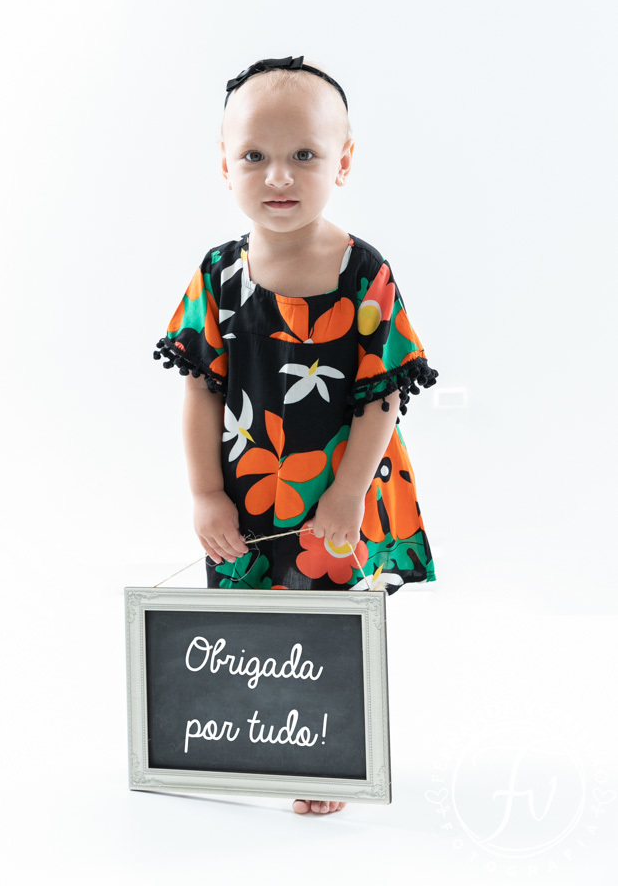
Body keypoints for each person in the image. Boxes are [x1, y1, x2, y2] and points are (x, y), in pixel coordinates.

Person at [153, 55, 439, 816]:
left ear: (341, 162)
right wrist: (205, 494)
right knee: (251, 623)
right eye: (254, 156)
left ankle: (326, 758)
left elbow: (382, 396)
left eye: (304, 154)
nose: (278, 176)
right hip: (249, 486)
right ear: (225, 166)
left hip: (341, 486)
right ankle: (257, 745)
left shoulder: (363, 273)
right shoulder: (220, 275)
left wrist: (346, 494)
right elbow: (200, 389)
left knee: (328, 621)